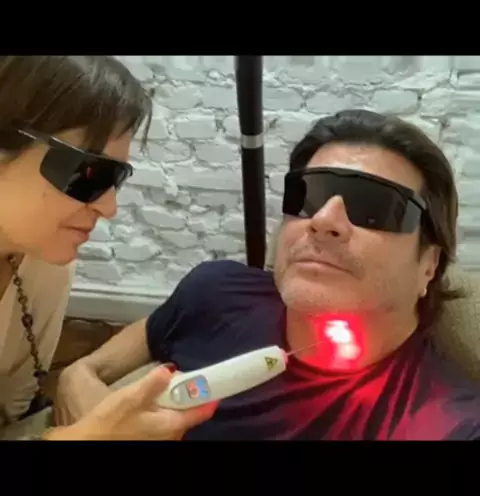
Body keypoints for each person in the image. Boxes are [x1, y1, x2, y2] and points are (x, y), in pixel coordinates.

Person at [57, 108, 480, 441]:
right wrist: (77, 379)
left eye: (375, 207)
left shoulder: (447, 425)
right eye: (307, 195)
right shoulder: (217, 291)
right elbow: (102, 363)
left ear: (429, 264)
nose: (323, 220)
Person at [0, 56, 216, 441]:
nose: (108, 207)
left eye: (116, 178)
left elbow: (12, 412)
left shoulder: (44, 264)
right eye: (87, 174)